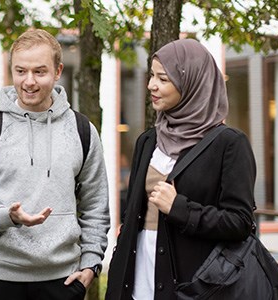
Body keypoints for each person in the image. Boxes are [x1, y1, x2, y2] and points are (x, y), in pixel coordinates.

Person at [0, 28, 110, 300]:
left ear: (58, 71)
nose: (29, 81)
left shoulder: (82, 131)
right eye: (20, 71)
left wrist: (90, 264)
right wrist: (8, 216)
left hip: (63, 281)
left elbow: (96, 206)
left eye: (40, 72)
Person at [105, 39, 257, 300]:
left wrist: (181, 209)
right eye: (152, 75)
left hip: (194, 286)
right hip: (137, 276)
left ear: (192, 84)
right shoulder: (149, 140)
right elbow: (131, 218)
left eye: (163, 79)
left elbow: (240, 222)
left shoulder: (229, 144)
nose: (151, 85)